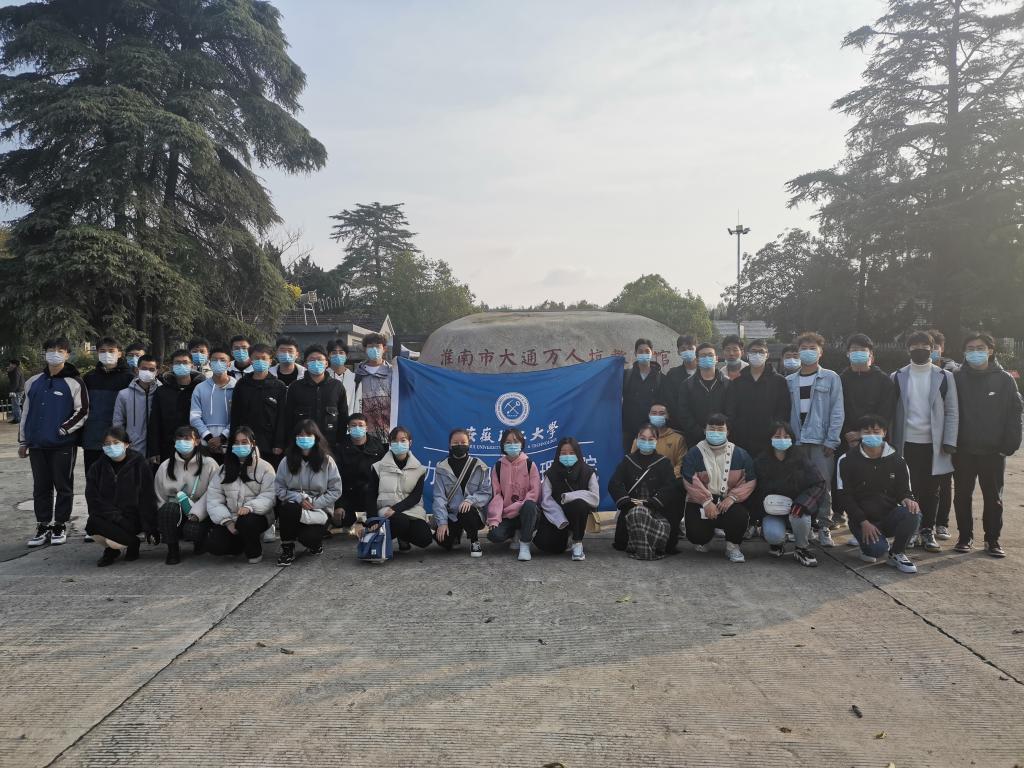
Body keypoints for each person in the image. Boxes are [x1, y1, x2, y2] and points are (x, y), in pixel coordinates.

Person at [952, 332, 1023, 557]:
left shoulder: (1004, 379)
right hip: (963, 450)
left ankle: (992, 540)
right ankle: (965, 537)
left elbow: (1015, 413)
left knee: (993, 498)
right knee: (962, 495)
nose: (975, 352)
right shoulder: (956, 378)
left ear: (990, 350)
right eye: (970, 348)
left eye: (980, 348)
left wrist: (1009, 445)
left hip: (993, 451)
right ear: (964, 352)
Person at [890, 330, 958, 553]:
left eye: (925, 346)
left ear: (932, 349)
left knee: (932, 489)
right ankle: (911, 528)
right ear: (908, 349)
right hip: (906, 441)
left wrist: (949, 440)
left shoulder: (944, 376)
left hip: (934, 443)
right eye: (915, 346)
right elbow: (892, 411)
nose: (920, 349)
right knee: (909, 488)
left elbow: (952, 410)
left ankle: (927, 529)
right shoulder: (897, 376)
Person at [19, 337, 89, 547]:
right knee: (41, 487)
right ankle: (43, 525)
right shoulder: (33, 382)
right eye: (51, 349)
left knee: (63, 486)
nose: (55, 353)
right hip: (37, 444)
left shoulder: (74, 382)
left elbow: (83, 410)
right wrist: (23, 441)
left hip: (62, 445)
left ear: (68, 354)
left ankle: (60, 524)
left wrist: (64, 429)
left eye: (60, 350)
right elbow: (26, 412)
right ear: (44, 353)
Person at [835, 414, 922, 573]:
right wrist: (863, 522)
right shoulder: (846, 460)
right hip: (862, 520)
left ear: (884, 433)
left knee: (913, 511)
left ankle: (897, 553)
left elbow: (904, 490)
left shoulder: (897, 460)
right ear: (859, 434)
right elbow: (845, 496)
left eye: (876, 431)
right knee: (876, 551)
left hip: (889, 516)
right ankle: (867, 545)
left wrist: (908, 499)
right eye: (867, 432)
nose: (872, 435)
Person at [786, 331, 844, 547]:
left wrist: (832, 440)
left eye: (813, 348)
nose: (808, 352)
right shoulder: (789, 380)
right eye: (804, 348)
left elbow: (837, 411)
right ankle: (804, 525)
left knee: (823, 483)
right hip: (797, 441)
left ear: (821, 352)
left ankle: (824, 526)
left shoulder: (831, 377)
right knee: (799, 483)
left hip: (821, 441)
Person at [837, 333, 896, 545]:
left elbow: (885, 412)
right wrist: (848, 433)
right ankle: (849, 521)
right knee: (847, 484)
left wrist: (863, 435)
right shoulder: (840, 379)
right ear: (847, 354)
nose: (858, 354)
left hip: (874, 440)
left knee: (873, 485)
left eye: (863, 350)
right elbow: (837, 409)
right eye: (854, 350)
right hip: (846, 439)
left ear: (871, 354)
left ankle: (873, 526)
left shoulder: (884, 381)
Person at [681, 413, 756, 562]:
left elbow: (749, 480)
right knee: (697, 536)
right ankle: (707, 535)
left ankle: (732, 546)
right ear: (704, 430)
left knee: (739, 516)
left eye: (720, 429)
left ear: (728, 432)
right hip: (700, 502)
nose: (715, 432)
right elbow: (689, 479)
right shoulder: (694, 453)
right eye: (711, 428)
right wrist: (706, 501)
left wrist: (732, 497)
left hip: (728, 500)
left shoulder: (740, 454)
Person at [752, 422, 823, 567]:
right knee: (773, 535)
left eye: (786, 436)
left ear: (792, 439)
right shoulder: (760, 461)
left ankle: (801, 548)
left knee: (801, 517)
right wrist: (760, 511)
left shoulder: (801, 459)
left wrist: (803, 503)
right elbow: (754, 489)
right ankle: (776, 544)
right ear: (770, 439)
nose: (782, 439)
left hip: (796, 509)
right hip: (772, 511)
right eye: (777, 436)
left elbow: (819, 483)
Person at [84, 426, 157, 566]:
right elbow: (93, 498)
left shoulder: (139, 463)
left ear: (126, 444)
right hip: (110, 516)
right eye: (107, 444)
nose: (111, 447)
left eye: (116, 443)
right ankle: (115, 548)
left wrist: (150, 527)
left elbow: (147, 497)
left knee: (114, 535)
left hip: (132, 518)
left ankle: (129, 544)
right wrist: (115, 516)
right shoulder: (97, 467)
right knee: (92, 524)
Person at [275, 420, 342, 565]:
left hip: (319, 509)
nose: (304, 439)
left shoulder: (327, 461)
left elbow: (336, 490)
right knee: (287, 507)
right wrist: (298, 498)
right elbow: (279, 488)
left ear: (316, 437)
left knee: (309, 538)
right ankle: (287, 548)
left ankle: (315, 544)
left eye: (308, 435)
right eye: (300, 435)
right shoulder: (286, 461)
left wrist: (314, 503)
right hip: (295, 506)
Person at [206, 427, 277, 564]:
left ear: (252, 444)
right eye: (236, 443)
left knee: (247, 522)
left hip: (258, 515)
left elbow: (269, 495)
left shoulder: (265, 467)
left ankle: (254, 551)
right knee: (214, 545)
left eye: (244, 442)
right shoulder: (223, 470)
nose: (240, 446)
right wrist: (227, 521)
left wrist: (250, 507)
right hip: (232, 517)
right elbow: (214, 499)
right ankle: (240, 545)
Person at [610, 424, 677, 560]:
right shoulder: (628, 461)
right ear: (637, 439)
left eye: (651, 439)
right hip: (631, 507)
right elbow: (614, 484)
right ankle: (643, 547)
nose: (646, 442)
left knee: (643, 514)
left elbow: (670, 487)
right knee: (637, 512)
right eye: (643, 438)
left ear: (657, 440)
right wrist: (626, 502)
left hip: (656, 510)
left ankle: (642, 547)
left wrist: (653, 503)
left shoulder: (664, 463)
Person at [153, 426, 219, 565]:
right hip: (175, 510)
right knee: (167, 510)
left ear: (197, 441)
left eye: (187, 439)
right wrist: (164, 520)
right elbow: (159, 495)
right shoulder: (165, 466)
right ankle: (172, 549)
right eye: (179, 439)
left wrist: (198, 513)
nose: (183, 442)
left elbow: (215, 493)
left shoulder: (209, 464)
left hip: (200, 512)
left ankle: (200, 541)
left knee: (192, 531)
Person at [365, 425, 431, 553]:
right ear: (390, 443)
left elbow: (415, 497)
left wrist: (395, 509)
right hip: (385, 511)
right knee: (401, 522)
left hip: (409, 510)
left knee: (425, 538)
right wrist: (372, 520)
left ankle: (402, 537)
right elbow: (371, 495)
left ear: (410, 443)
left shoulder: (419, 469)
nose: (399, 444)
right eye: (395, 441)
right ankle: (376, 541)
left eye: (403, 440)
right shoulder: (378, 467)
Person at [724, 338, 790, 460]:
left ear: (767, 355)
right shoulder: (738, 382)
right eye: (754, 351)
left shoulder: (779, 381)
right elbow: (731, 410)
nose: (757, 355)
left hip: (769, 439)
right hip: (742, 439)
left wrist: (777, 431)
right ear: (747, 355)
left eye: (761, 352)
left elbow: (783, 410)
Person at [432, 428, 493, 557]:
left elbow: (486, 492)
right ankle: (455, 535)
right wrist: (442, 523)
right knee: (443, 541)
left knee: (466, 510)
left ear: (469, 444)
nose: (459, 445)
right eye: (455, 443)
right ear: (450, 445)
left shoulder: (479, 466)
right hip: (452, 514)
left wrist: (470, 500)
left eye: (463, 442)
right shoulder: (442, 467)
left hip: (472, 514)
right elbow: (439, 497)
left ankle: (474, 541)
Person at [537, 437, 599, 560]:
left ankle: (577, 542)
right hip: (557, 516)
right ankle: (566, 537)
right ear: (558, 454)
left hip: (577, 514)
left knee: (579, 504)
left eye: (571, 453)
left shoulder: (588, 472)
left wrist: (569, 496)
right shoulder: (551, 473)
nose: (567, 456)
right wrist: (560, 518)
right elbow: (546, 500)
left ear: (578, 453)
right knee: (545, 545)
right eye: (563, 453)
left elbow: (594, 498)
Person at [487, 428, 542, 561]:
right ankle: (515, 533)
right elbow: (497, 495)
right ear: (503, 445)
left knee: (530, 505)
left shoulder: (530, 465)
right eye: (508, 442)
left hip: (526, 512)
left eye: (516, 441)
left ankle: (525, 543)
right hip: (507, 515)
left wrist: (517, 506)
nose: (512, 445)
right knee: (494, 535)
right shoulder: (498, 467)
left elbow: (534, 493)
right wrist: (495, 518)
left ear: (522, 443)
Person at [283, 344, 348, 454]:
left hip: (330, 445)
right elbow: (288, 418)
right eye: (312, 360)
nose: (316, 362)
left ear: (326, 363)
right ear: (306, 364)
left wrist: (340, 442)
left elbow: (343, 416)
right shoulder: (295, 387)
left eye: (320, 359)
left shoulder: (337, 386)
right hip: (302, 445)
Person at [229, 343, 287, 467]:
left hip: (270, 444)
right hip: (245, 442)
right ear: (251, 360)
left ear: (270, 361)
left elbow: (282, 417)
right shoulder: (242, 384)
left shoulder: (279, 386)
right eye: (256, 358)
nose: (260, 361)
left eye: (264, 358)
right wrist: (234, 441)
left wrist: (279, 443)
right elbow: (235, 415)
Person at [81, 337, 133, 472]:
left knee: (118, 477)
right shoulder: (89, 377)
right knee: (93, 476)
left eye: (111, 351)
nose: (107, 354)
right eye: (102, 351)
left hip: (118, 440)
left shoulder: (130, 378)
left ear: (119, 353)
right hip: (93, 438)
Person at [926, 328, 958, 539]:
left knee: (945, 482)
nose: (931, 351)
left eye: (935, 347)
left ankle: (942, 523)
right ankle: (923, 522)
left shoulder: (953, 373)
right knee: (923, 483)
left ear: (942, 348)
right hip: (922, 437)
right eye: (929, 347)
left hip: (946, 436)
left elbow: (953, 409)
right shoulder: (911, 372)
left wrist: (950, 439)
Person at [149, 349, 204, 465]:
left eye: (185, 362)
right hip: (167, 446)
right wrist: (154, 450)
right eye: (177, 363)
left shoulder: (200, 389)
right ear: (171, 366)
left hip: (195, 444)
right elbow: (155, 421)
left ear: (192, 365)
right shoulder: (162, 391)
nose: (181, 365)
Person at [334, 412, 387, 530]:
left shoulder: (377, 444)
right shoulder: (340, 447)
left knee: (376, 524)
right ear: (348, 428)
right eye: (353, 425)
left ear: (366, 427)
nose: (357, 428)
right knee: (342, 521)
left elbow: (383, 472)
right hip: (348, 493)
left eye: (360, 425)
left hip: (371, 494)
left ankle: (372, 523)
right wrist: (339, 505)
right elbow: (336, 478)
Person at [676, 341, 729, 450]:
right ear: (697, 360)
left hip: (722, 438)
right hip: (695, 440)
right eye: (703, 356)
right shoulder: (687, 384)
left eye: (710, 355)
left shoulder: (727, 383)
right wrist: (700, 432)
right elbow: (684, 413)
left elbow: (731, 411)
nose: (707, 358)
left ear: (716, 358)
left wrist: (720, 431)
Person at [189, 347, 236, 463]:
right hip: (205, 445)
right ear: (209, 363)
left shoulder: (237, 387)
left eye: (223, 360)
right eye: (215, 360)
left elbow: (239, 417)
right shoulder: (200, 388)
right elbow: (194, 417)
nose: (218, 363)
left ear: (229, 363)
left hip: (231, 445)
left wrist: (222, 437)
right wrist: (209, 438)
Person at [112, 353, 161, 459]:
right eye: (144, 368)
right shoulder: (124, 394)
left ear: (157, 372)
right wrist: (121, 444)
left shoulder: (162, 393)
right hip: (133, 449)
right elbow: (118, 422)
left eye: (151, 369)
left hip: (157, 450)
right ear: (137, 370)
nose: (147, 372)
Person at [621, 338, 666, 451]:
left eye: (647, 351)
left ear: (652, 353)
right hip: (628, 430)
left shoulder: (661, 378)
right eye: (640, 351)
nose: (643, 354)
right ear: (635, 353)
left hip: (651, 431)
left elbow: (665, 403)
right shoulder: (626, 376)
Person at [353, 332, 393, 442]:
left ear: (384, 349)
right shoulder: (357, 374)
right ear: (365, 349)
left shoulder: (393, 372)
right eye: (370, 346)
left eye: (377, 346)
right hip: (365, 432)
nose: (374, 349)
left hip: (389, 431)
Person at [631, 400, 685, 476]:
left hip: (669, 479)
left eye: (662, 413)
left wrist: (667, 477)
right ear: (649, 415)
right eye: (654, 413)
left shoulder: (678, 439)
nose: (657, 416)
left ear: (668, 416)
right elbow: (632, 462)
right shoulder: (640, 438)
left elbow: (681, 464)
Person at [664, 334, 698, 430]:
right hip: (679, 427)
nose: (687, 351)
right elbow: (671, 403)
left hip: (703, 427)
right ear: (678, 352)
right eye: (683, 349)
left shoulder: (705, 372)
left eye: (690, 348)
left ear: (696, 350)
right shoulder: (672, 374)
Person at [327, 338, 357, 410]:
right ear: (328, 356)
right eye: (334, 353)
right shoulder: (323, 376)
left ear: (346, 356)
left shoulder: (354, 377)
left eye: (341, 352)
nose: (337, 355)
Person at [7, 358, 24, 424]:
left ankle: (18, 419)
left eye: (11, 363)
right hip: (19, 389)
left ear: (14, 364)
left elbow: (15, 382)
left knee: (15, 405)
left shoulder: (16, 371)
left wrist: (12, 391)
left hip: (17, 390)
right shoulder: (17, 370)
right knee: (15, 405)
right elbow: (12, 379)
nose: (10, 365)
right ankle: (16, 418)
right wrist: (9, 372)